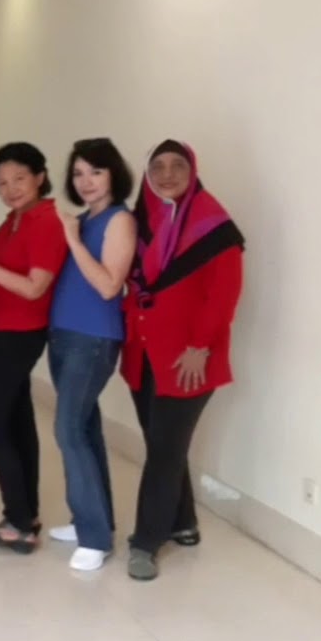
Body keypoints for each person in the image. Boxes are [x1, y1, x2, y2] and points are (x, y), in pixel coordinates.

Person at [122, 140, 244, 581]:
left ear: (192, 172)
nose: (168, 174)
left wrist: (200, 346)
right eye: (158, 166)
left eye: (178, 165)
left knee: (164, 451)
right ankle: (184, 522)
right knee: (164, 446)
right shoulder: (142, 221)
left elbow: (224, 292)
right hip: (143, 353)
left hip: (189, 358)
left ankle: (145, 543)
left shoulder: (213, 224)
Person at [0, 142, 68, 554]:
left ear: (40, 177)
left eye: (19, 178)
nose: (10, 189)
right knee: (17, 422)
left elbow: (35, 286)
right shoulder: (11, 223)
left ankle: (18, 520)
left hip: (21, 333)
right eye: (2, 183)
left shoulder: (46, 221)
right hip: (1, 331)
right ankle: (26, 517)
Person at [44, 138, 137, 572]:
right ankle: (90, 521)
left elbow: (108, 285)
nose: (86, 181)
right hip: (63, 335)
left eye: (96, 172)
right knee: (84, 429)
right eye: (79, 173)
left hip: (94, 338)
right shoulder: (82, 220)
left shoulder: (120, 220)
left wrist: (72, 239)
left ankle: (95, 538)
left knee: (67, 429)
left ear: (113, 174)